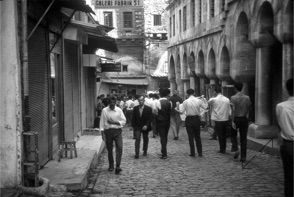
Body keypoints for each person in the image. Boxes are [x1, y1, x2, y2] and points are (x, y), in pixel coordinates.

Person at [176, 89, 208, 157]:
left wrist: (177, 108)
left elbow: (181, 112)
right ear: (194, 93)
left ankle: (192, 152)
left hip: (189, 119)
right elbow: (206, 107)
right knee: (197, 136)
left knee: (190, 136)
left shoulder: (186, 101)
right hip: (196, 119)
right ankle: (200, 152)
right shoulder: (199, 101)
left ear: (187, 94)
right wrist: (204, 100)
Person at [276, 78, 293, 197]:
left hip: (288, 145)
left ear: (287, 90)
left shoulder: (280, 106)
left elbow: (280, 123)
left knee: (289, 176)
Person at [99, 96, 126, 174]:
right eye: (111, 103)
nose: (112, 104)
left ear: (116, 103)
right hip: (108, 132)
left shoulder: (119, 110)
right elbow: (101, 122)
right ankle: (111, 165)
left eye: (114, 103)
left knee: (119, 147)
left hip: (117, 131)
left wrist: (115, 122)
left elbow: (124, 121)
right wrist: (102, 133)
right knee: (109, 149)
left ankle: (118, 165)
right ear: (109, 102)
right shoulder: (104, 111)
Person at [230, 82, 251, 162]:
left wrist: (232, 121)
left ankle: (235, 148)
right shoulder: (247, 98)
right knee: (243, 138)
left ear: (235, 88)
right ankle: (243, 156)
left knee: (233, 135)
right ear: (242, 88)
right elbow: (249, 109)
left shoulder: (233, 98)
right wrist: (247, 118)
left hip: (236, 118)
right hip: (244, 118)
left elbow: (233, 111)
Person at [208, 86, 231, 154]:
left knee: (220, 134)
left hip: (218, 119)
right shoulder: (227, 99)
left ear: (215, 92)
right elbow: (229, 109)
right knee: (224, 134)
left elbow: (209, 102)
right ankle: (224, 147)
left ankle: (222, 148)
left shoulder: (214, 99)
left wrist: (213, 95)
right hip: (225, 118)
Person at [153, 89, 171, 159]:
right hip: (167, 121)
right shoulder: (169, 102)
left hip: (160, 121)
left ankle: (164, 153)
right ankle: (163, 150)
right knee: (165, 136)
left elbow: (155, 111)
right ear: (167, 95)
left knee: (162, 137)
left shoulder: (158, 102)